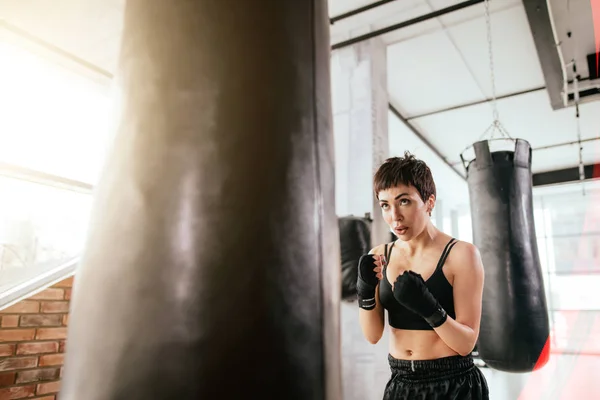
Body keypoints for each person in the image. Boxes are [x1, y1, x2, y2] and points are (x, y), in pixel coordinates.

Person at [356, 152, 489, 400]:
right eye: (385, 205)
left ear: (429, 202)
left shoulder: (461, 254)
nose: (394, 216)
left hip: (452, 382)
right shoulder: (380, 256)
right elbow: (373, 336)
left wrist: (429, 308)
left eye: (403, 201)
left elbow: (466, 344)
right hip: (400, 381)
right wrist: (365, 292)